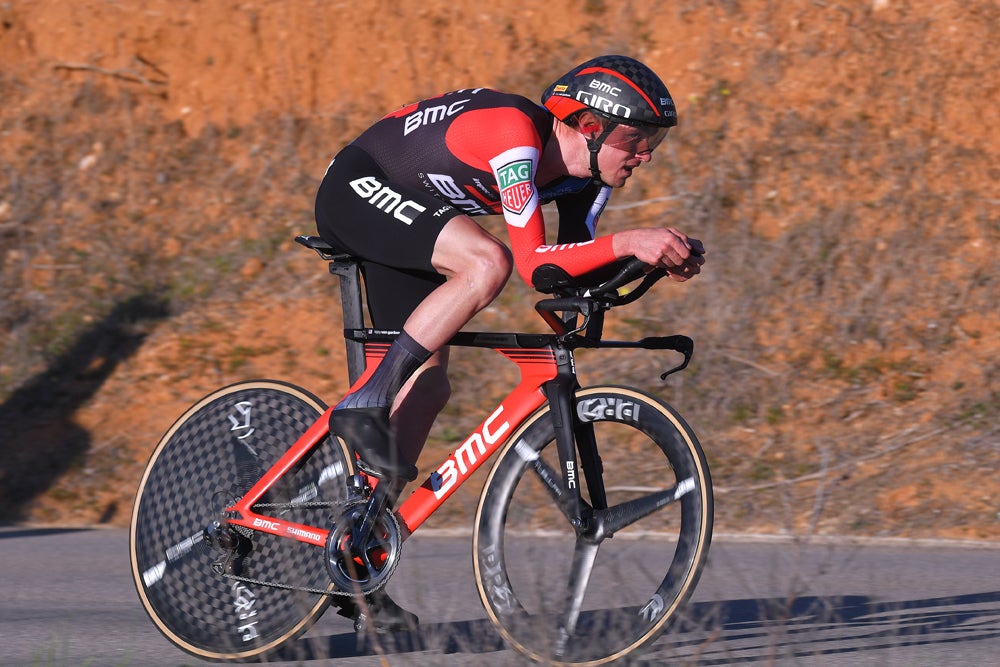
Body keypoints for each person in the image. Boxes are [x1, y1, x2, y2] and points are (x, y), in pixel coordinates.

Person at [314, 54, 706, 633]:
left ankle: (356, 554)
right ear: (589, 127)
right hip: (360, 187)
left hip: (424, 215)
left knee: (427, 391)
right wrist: (632, 241)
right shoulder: (514, 135)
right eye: (636, 138)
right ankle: (367, 395)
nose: (645, 154)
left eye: (654, 142)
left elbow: (566, 276)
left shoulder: (582, 181)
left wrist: (644, 265)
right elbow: (531, 265)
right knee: (488, 261)